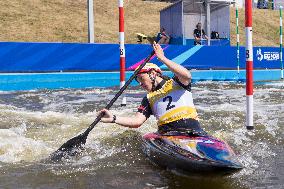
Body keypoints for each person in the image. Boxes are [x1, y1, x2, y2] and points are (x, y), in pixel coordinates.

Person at [99, 42, 206, 135]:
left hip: (194, 131)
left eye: (141, 78)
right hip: (168, 134)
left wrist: (162, 58)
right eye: (138, 81)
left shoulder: (177, 82)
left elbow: (187, 75)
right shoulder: (148, 98)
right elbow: (137, 121)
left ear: (153, 73)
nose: (140, 84)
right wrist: (113, 118)